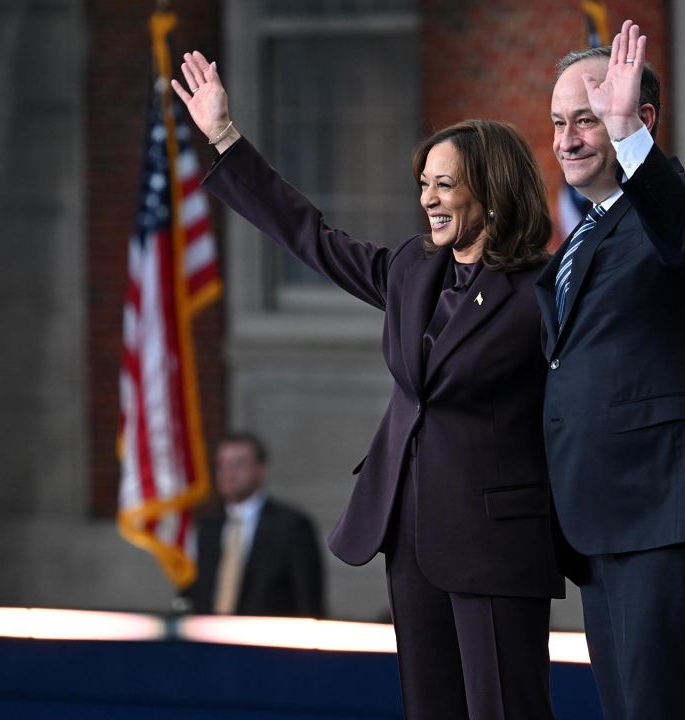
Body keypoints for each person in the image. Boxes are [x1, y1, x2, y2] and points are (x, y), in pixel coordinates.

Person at [172, 52, 562, 719]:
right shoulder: (413, 268)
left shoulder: (544, 292)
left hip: (496, 543)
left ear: (492, 194)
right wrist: (225, 138)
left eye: (445, 185)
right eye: (424, 184)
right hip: (407, 533)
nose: (427, 200)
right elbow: (313, 238)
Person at [538, 20, 685, 720]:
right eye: (558, 122)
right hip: (603, 527)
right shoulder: (581, 237)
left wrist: (627, 135)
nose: (567, 140)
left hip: (670, 519)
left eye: (589, 120)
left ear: (643, 118)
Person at [181, 433, 325, 617]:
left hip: (266, 639)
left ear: (260, 469)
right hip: (211, 638)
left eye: (238, 464)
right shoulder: (208, 526)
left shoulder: (291, 525)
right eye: (222, 465)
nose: (228, 473)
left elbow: (308, 599)